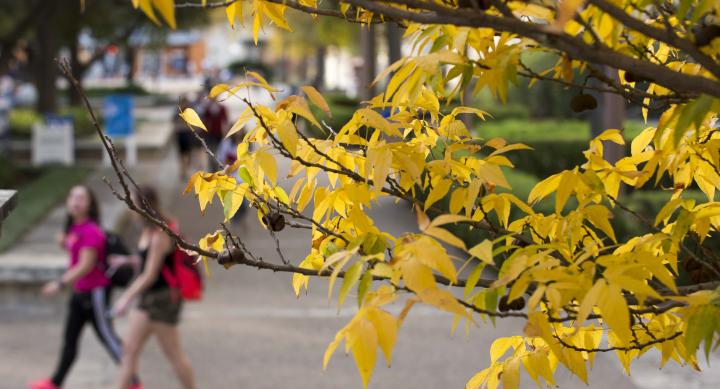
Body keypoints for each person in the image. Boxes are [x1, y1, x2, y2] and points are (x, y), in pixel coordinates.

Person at [29, 185, 141, 389]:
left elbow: (86, 264)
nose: (75, 201)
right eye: (72, 197)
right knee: (70, 339)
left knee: (108, 338)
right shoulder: (74, 229)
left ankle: (133, 381)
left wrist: (59, 283)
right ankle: (55, 382)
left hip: (95, 294)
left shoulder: (91, 231)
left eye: (81, 198)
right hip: (79, 293)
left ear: (90, 205)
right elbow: (77, 251)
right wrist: (64, 243)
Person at [112, 185, 195, 389]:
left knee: (174, 355)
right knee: (129, 350)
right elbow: (147, 261)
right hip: (148, 300)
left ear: (143, 205)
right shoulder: (147, 231)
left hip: (162, 300)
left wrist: (125, 298)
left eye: (132, 202)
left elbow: (150, 275)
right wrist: (128, 261)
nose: (129, 206)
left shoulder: (160, 233)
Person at [200, 95, 228, 170]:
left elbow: (225, 122)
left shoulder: (222, 108)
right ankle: (212, 170)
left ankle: (218, 169)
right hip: (210, 134)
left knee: (220, 153)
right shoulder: (207, 108)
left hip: (219, 134)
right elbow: (204, 119)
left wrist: (226, 134)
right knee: (211, 153)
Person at [174, 96, 197, 181]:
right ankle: (183, 171)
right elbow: (175, 125)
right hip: (181, 136)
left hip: (187, 136)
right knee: (182, 155)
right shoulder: (177, 113)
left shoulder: (189, 113)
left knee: (188, 155)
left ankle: (185, 170)